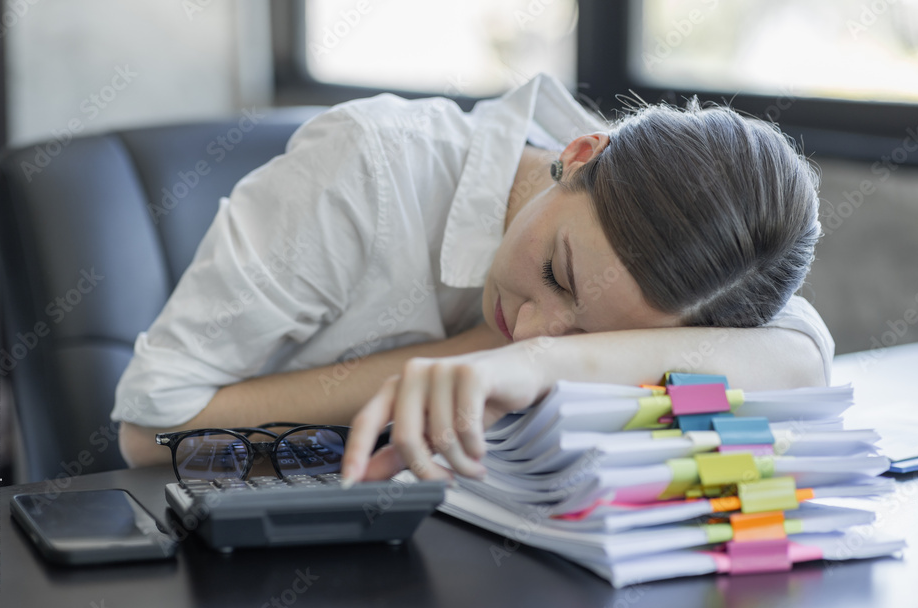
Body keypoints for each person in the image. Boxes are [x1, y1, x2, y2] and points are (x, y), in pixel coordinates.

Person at [112, 73, 832, 478]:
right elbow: (151, 429)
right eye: (557, 273)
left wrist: (547, 360)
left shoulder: (708, 269)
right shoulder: (367, 170)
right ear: (580, 151)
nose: (529, 326)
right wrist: (473, 364)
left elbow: (804, 356)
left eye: (597, 336)